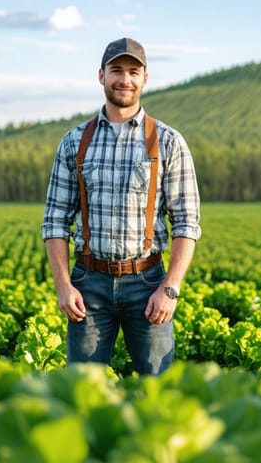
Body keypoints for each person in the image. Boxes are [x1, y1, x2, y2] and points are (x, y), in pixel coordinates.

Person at [41, 37, 202, 375]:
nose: (124, 79)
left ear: (145, 79)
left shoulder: (168, 141)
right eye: (116, 70)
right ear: (101, 75)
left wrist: (169, 289)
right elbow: (55, 221)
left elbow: (186, 223)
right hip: (88, 285)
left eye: (133, 72)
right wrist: (63, 286)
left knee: (156, 389)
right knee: (82, 391)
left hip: (148, 285)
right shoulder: (74, 141)